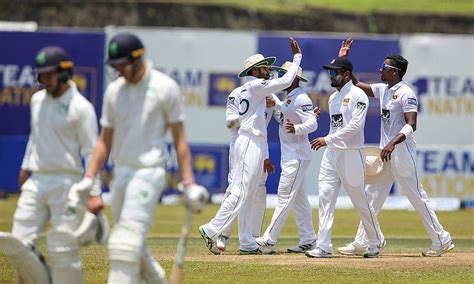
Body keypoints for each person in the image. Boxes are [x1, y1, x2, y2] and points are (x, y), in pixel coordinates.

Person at [69, 33, 208, 284]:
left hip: (149, 172)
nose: (119, 71)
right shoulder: (114, 91)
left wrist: (188, 183)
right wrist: (89, 177)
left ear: (137, 59)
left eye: (122, 65)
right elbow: (104, 140)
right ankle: (156, 279)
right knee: (129, 240)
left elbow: (179, 139)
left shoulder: (165, 87)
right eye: (115, 66)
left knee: (124, 243)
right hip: (121, 173)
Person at [336, 39, 454, 257]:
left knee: (417, 196)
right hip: (386, 153)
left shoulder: (407, 93)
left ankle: (441, 239)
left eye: (384, 67)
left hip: (402, 151)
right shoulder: (383, 89)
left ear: (395, 72)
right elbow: (355, 85)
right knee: (371, 197)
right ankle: (364, 242)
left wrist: (392, 143)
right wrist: (345, 60)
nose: (380, 69)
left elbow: (412, 124)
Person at [0, 46, 100, 283]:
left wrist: (94, 193)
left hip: (67, 183)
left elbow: (92, 151)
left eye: (49, 74)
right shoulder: (37, 101)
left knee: (63, 250)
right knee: (19, 246)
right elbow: (35, 137)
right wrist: (26, 167)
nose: (44, 80)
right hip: (37, 180)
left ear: (64, 72)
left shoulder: (81, 107)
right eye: (41, 75)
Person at [199, 37, 302, 255]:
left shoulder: (261, 92)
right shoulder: (255, 87)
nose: (269, 70)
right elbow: (287, 81)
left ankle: (246, 241)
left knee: (249, 191)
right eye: (265, 67)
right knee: (239, 189)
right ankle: (212, 229)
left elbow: (278, 115)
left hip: (255, 142)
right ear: (255, 71)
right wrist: (297, 57)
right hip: (245, 141)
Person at [305, 57, 385, 259]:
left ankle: (375, 241)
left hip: (351, 153)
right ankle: (323, 246)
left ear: (346, 75)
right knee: (325, 197)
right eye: (330, 73)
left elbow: (355, 127)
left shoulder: (358, 95)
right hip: (332, 154)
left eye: (334, 73)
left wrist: (327, 139)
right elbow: (337, 126)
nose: (330, 76)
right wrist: (330, 142)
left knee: (359, 200)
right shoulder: (333, 98)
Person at [255, 62, 318, 254]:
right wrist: (276, 106)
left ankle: (269, 239)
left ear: (295, 78)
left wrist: (297, 128)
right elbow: (283, 119)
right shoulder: (289, 98)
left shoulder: (301, 98)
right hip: (291, 155)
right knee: (299, 199)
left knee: (284, 195)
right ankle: (308, 239)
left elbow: (313, 123)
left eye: (286, 74)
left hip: (297, 156)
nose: (282, 77)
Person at [214, 88, 277, 253]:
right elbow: (229, 122)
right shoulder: (238, 94)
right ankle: (221, 234)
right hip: (240, 144)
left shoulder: (270, 94)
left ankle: (254, 237)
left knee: (259, 190)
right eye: (264, 69)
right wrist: (251, 114)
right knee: (235, 188)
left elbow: (283, 114)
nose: (268, 73)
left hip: (261, 145)